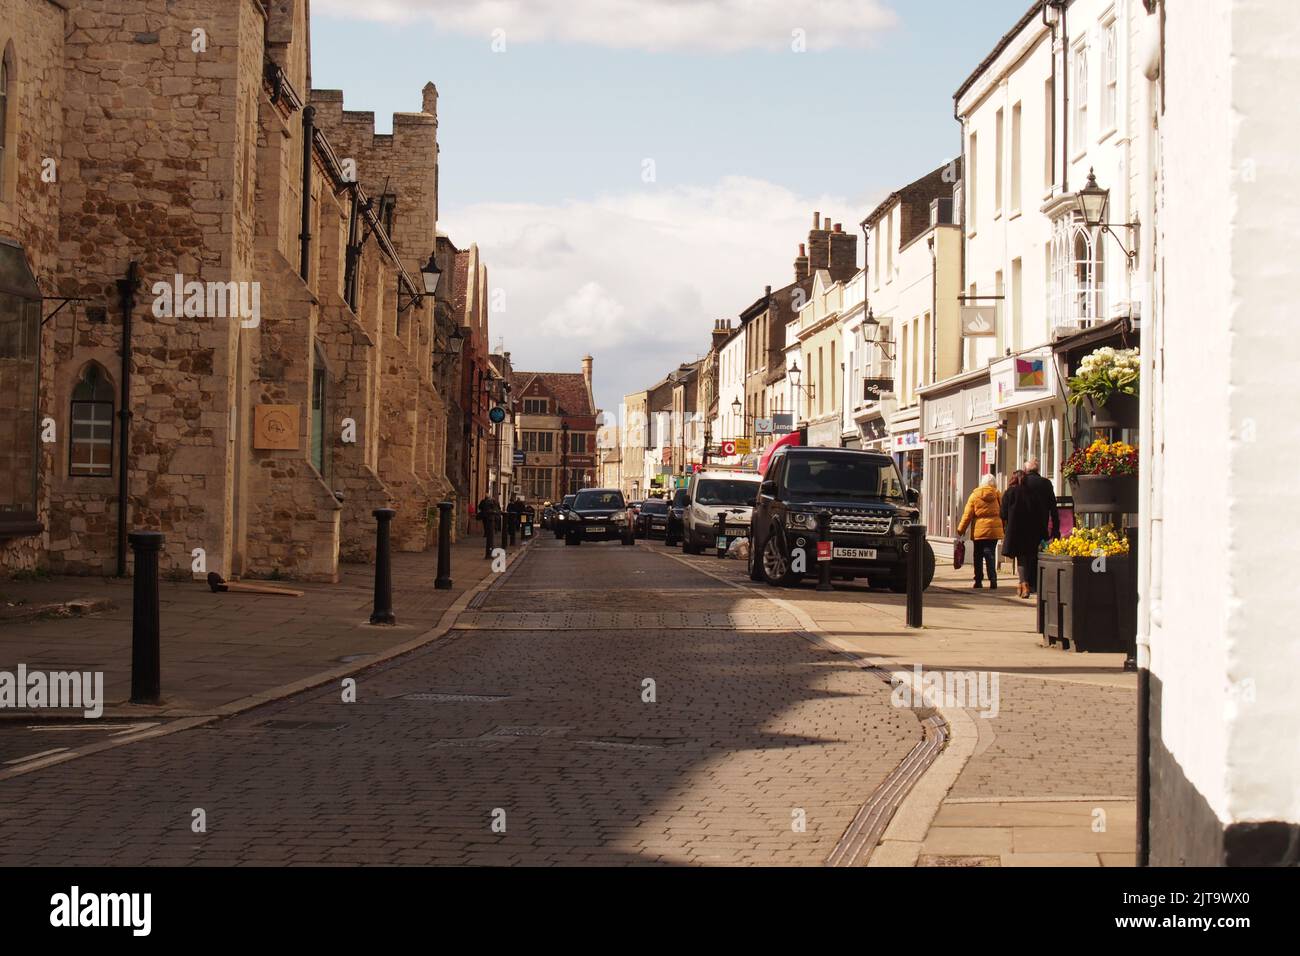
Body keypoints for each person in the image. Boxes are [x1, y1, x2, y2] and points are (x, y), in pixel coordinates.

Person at [1001, 469, 1047, 599]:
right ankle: (1024, 584)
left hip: (1015, 531)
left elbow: (1003, 514)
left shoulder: (1009, 493)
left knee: (1020, 558)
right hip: (1031, 531)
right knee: (1028, 557)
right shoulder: (1032, 494)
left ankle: (1023, 584)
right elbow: (1040, 512)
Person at [956, 473, 1004, 589]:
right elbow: (1003, 512)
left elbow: (967, 515)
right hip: (993, 531)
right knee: (990, 554)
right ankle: (993, 580)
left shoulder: (974, 495)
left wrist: (961, 529)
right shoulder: (997, 495)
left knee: (977, 556)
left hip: (979, 531)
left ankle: (978, 581)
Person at [1022, 456, 1060, 541]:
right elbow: (1053, 508)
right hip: (1042, 526)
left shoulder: (1022, 483)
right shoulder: (1046, 483)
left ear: (1025, 470)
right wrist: (1056, 529)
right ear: (1037, 470)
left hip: (1025, 527)